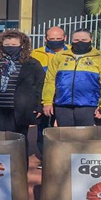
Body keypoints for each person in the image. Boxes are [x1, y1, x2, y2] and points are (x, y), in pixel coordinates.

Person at [0, 30, 44, 157]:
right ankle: (0, 171)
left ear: (22, 45)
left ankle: (20, 170)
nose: (10, 47)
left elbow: (40, 85)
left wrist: (39, 105)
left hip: (21, 109)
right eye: (7, 44)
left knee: (20, 141)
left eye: (14, 44)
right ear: (1, 45)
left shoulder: (32, 63)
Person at [42, 28, 101, 127]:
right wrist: (47, 102)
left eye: (84, 40)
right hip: (63, 104)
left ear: (91, 40)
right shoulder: (60, 56)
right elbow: (50, 80)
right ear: (71, 40)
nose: (80, 42)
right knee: (65, 136)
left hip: (88, 105)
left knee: (85, 138)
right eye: (76, 40)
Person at [31, 26, 68, 168]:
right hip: (43, 97)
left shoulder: (71, 52)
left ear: (65, 38)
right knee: (44, 129)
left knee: (64, 129)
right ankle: (45, 157)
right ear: (45, 39)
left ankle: (64, 157)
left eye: (58, 39)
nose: (55, 41)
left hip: (64, 97)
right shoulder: (36, 54)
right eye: (52, 39)